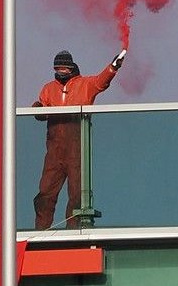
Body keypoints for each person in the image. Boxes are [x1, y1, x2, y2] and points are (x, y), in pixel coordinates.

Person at [31, 48, 124, 230]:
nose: (60, 72)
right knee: (45, 192)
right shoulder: (49, 88)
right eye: (57, 69)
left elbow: (101, 81)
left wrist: (113, 67)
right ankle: (40, 230)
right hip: (54, 148)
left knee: (77, 193)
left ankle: (73, 231)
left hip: (77, 145)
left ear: (71, 68)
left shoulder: (85, 84)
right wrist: (38, 109)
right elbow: (41, 107)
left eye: (64, 68)